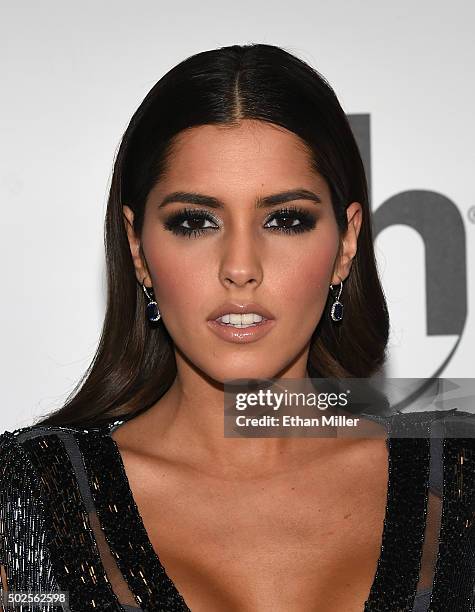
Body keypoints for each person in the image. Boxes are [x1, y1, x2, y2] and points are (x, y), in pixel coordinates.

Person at [0, 43, 473, 612]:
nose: (240, 267)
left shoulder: (460, 473)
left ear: (346, 243)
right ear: (138, 248)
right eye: (195, 222)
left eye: (286, 219)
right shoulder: (25, 501)